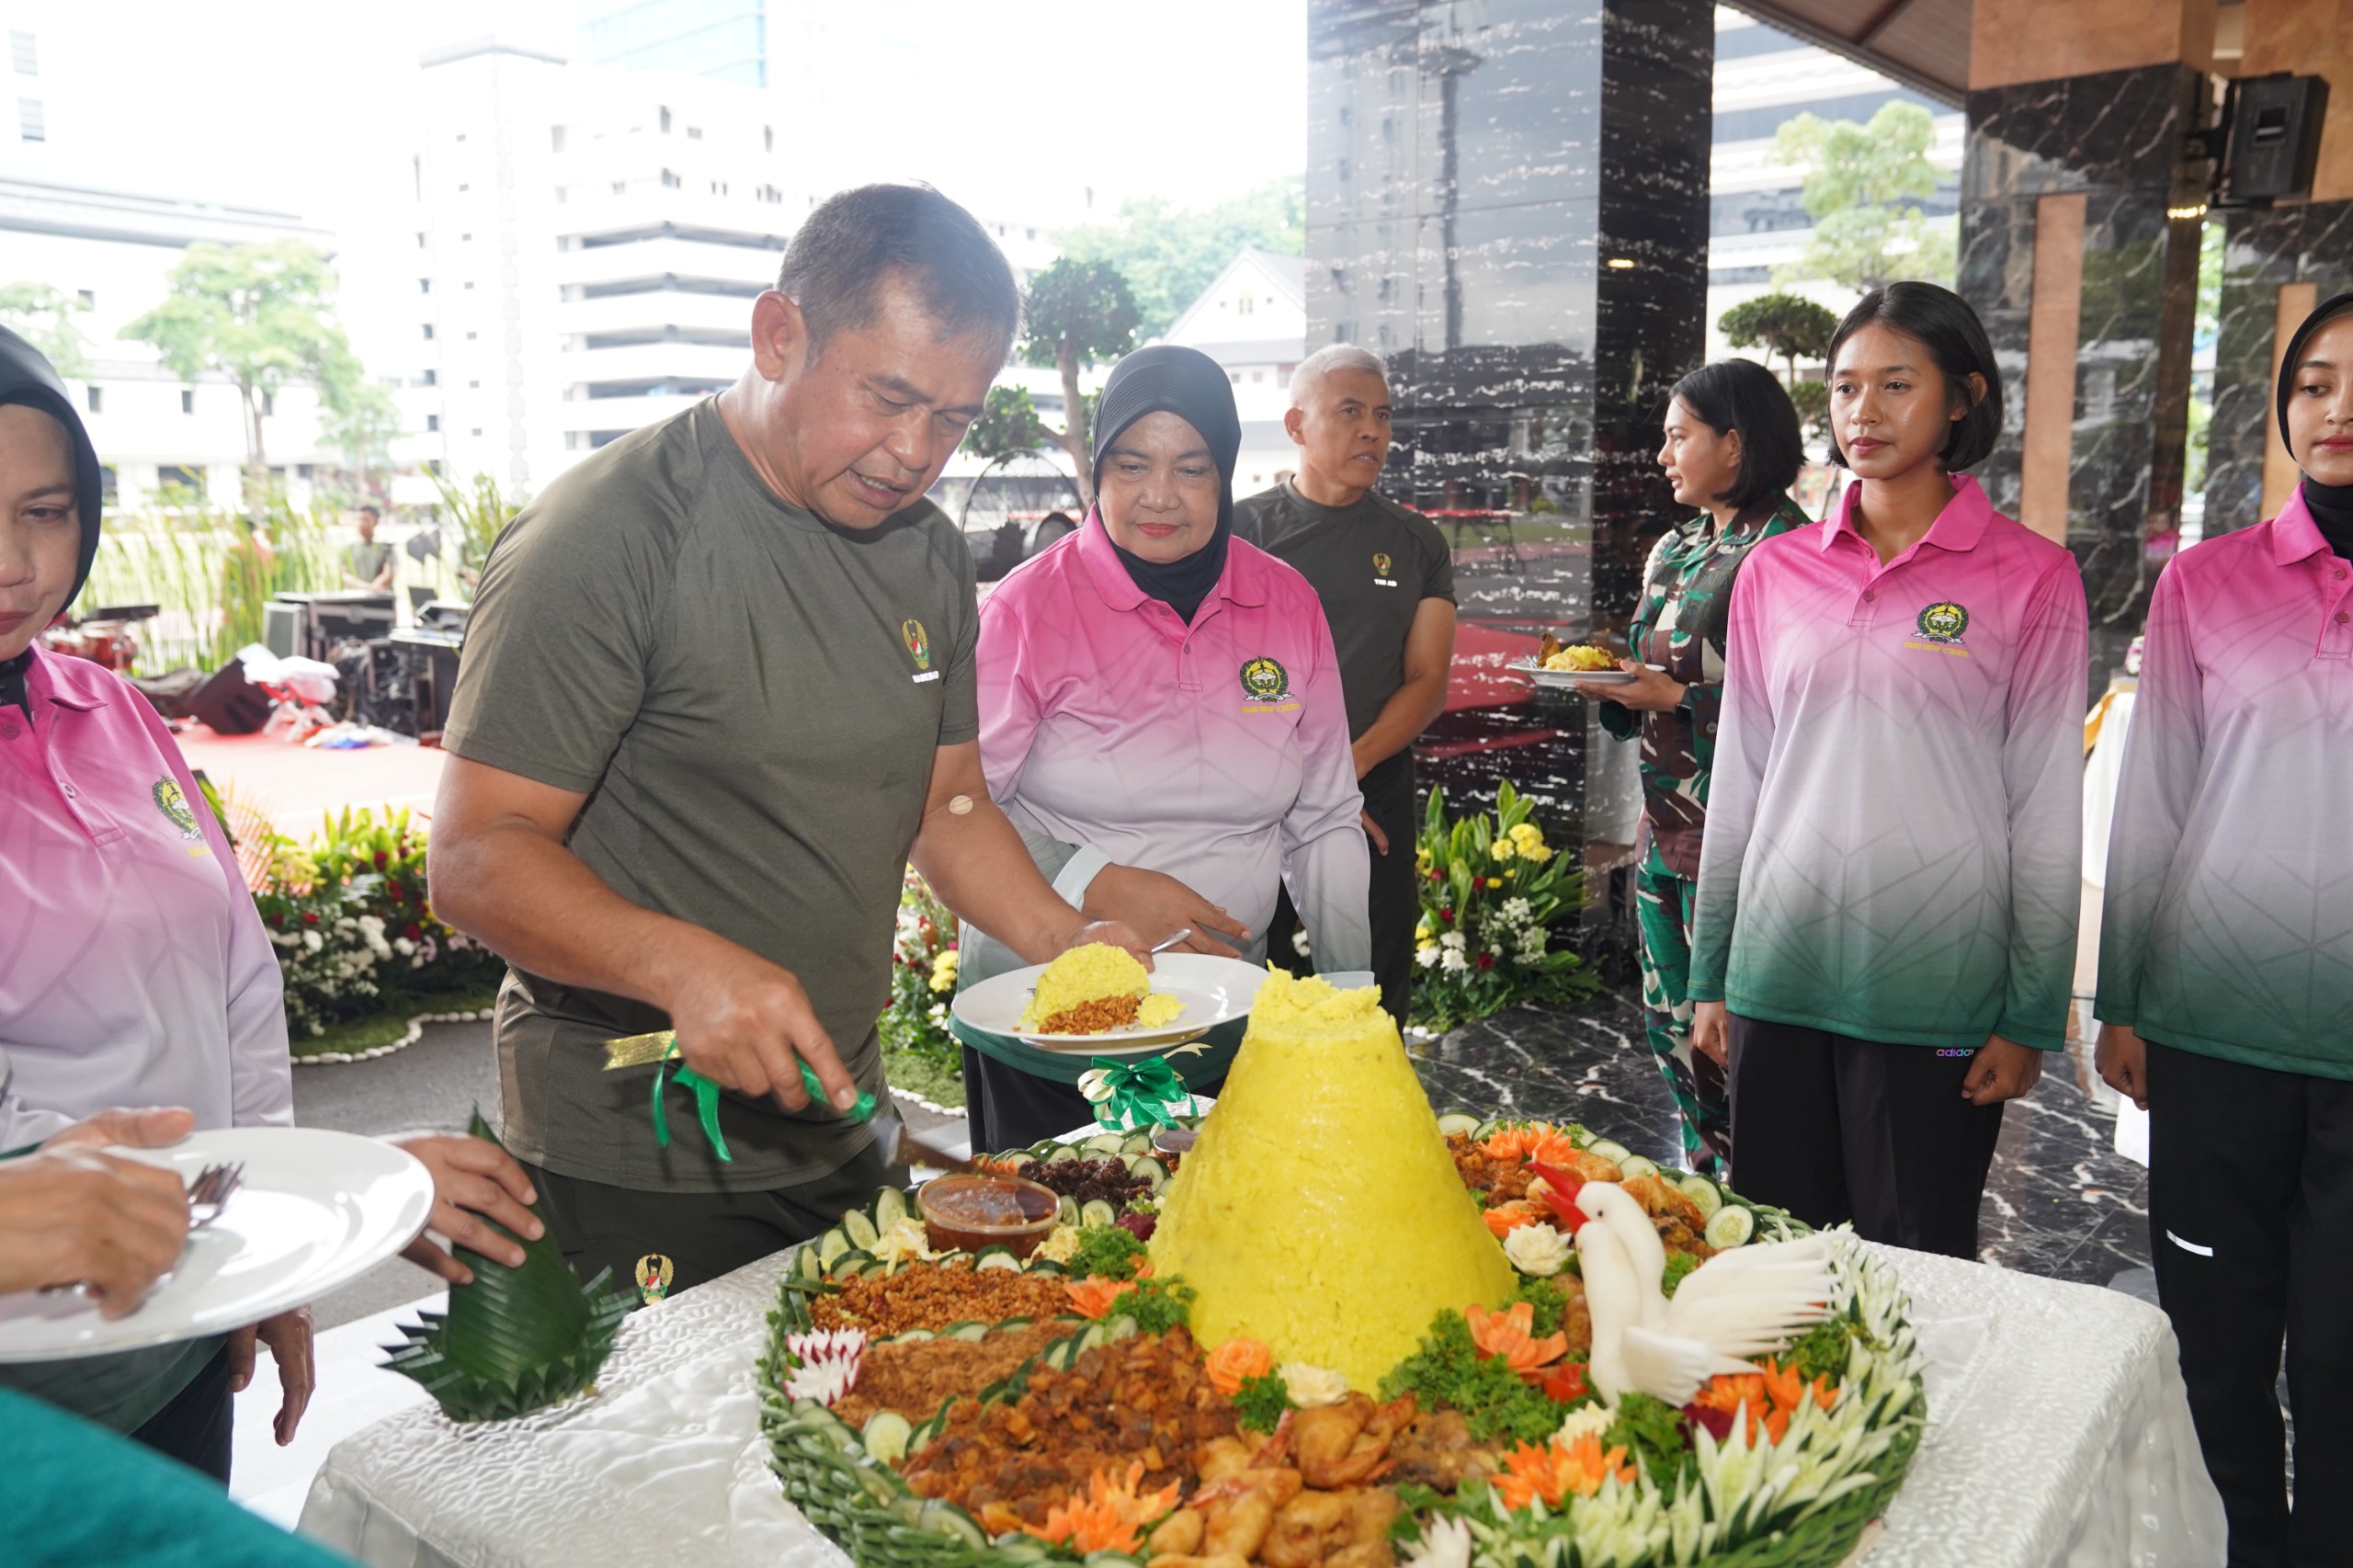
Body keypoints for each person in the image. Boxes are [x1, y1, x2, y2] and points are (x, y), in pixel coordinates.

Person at [426, 186, 1142, 1295]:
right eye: (888, 396)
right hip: (636, 1143)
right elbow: (477, 855)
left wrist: (1067, 939)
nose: (913, 451)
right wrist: (682, 965)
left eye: (952, 416)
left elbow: (945, 803)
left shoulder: (925, 555)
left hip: (842, 1122)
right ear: (779, 334)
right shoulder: (606, 536)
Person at [1686, 282, 2086, 1257]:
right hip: (1778, 981)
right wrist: (1711, 974)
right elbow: (1738, 778)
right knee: (1779, 1267)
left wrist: (2028, 1013)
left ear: (1962, 397)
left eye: (1896, 384)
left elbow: (2043, 806)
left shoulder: (2031, 577)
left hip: (1941, 1005)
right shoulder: (1775, 575)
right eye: (1844, 387)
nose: (1861, 411)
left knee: (1917, 1266)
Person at [0, 324, 312, 1479]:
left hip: (180, 1323)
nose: (13, 564)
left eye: (43, 509)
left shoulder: (111, 711)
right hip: (32, 1379)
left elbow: (236, 974)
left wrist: (265, 1246)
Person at [959, 345, 1371, 1149]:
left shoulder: (1285, 603)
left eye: (1191, 469)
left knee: (1218, 1251)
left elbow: (1326, 820)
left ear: (1225, 474)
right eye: (1130, 465)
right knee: (1058, 1258)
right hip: (1051, 1027)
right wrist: (1099, 882)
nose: (1159, 496)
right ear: (1097, 475)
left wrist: (1352, 996)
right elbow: (955, 806)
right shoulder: (1028, 610)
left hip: (1223, 1023)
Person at [2095, 290, 2353, 1567]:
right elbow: (2155, 801)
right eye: (2313, 382)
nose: (2338, 407)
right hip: (2218, 1035)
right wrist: (2124, 994)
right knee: (2219, 1344)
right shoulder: (2210, 583)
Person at [1570, 360, 1810, 1179]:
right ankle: (1707, 1182)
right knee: (1670, 1025)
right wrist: (1611, 683)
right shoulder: (1675, 548)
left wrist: (1672, 693)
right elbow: (1645, 670)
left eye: (1679, 437)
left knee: (1731, 1036)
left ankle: (1768, 1192)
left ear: (1735, 445)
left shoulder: (1792, 550)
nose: (1663, 454)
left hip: (1738, 834)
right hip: (1663, 826)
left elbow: (1799, 705)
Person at [1234, 345, 1454, 1025]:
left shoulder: (1417, 541)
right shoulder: (1240, 532)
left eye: (1383, 416)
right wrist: (1300, 787)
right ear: (1297, 425)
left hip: (1373, 795)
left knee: (1367, 998)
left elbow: (1427, 679)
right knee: (1260, 1000)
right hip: (1252, 800)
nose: (1373, 431)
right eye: (1351, 412)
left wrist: (1340, 778)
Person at [342, 504, 394, 590]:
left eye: (365, 519)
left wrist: (374, 588)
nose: (361, 523)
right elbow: (345, 574)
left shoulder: (385, 547)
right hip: (356, 597)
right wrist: (368, 587)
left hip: (380, 598)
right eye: (359, 519)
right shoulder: (349, 549)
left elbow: (388, 574)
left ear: (376, 521)